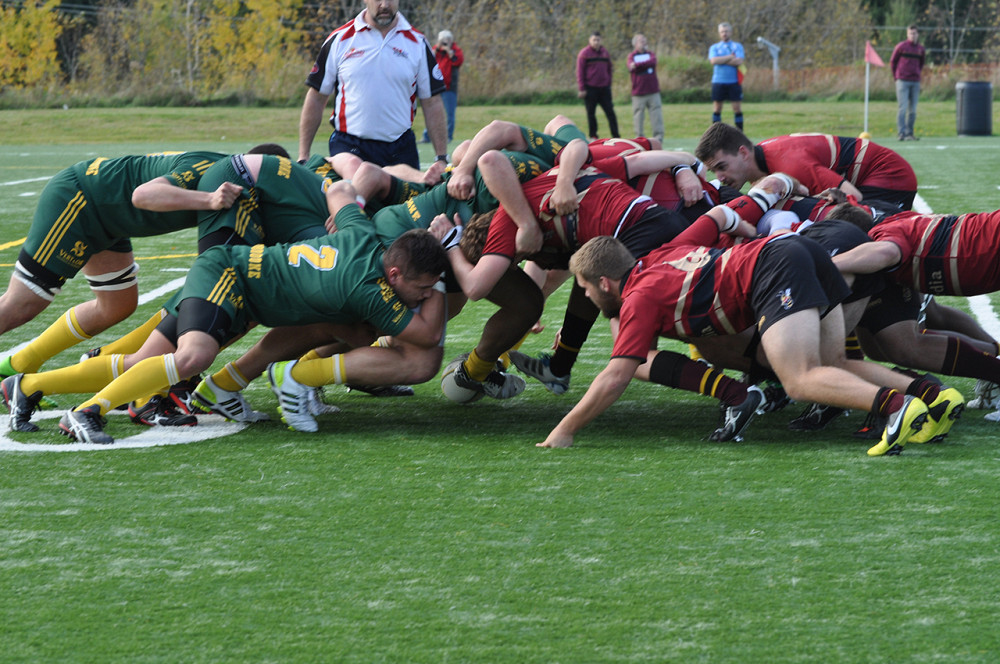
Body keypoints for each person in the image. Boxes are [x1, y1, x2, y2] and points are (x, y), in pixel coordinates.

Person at [36, 181, 446, 445]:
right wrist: (448, 271)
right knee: (190, 357)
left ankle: (31, 387)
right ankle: (86, 411)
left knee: (345, 330)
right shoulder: (371, 290)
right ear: (394, 273)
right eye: (422, 288)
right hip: (229, 275)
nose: (423, 296)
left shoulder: (365, 234)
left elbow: (339, 189)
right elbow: (426, 339)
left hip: (245, 286)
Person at [536, 207, 963, 456]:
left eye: (587, 290)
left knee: (799, 378)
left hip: (776, 267)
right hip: (798, 250)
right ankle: (931, 401)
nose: (589, 299)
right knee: (836, 364)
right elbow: (718, 218)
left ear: (605, 283)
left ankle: (894, 407)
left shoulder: (637, 298)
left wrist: (564, 429)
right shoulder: (659, 256)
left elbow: (616, 374)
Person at [0, 151, 241, 381]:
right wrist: (209, 199)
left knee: (117, 306)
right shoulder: (215, 168)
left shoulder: (237, 181)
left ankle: (19, 364)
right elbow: (142, 195)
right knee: (22, 303)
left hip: (109, 220)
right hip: (81, 198)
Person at [297, 0, 449, 181]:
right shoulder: (340, 39)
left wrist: (441, 158)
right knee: (350, 205)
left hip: (400, 150)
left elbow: (432, 103)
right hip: (349, 148)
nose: (384, 4)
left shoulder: (418, 43)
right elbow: (316, 98)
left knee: (406, 209)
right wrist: (303, 155)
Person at [695, 123, 918, 211]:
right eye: (715, 171)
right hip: (871, 175)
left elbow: (853, 197)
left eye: (722, 167)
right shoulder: (762, 161)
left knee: (847, 221)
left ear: (743, 153)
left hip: (890, 177)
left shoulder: (791, 166)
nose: (721, 177)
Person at [421, 30, 463, 144]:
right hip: (435, 87)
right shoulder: (436, 49)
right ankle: (427, 136)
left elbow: (458, 61)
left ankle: (448, 136)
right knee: (432, 113)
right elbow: (427, 59)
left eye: (448, 40)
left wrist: (449, 51)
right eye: (443, 40)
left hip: (449, 88)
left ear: (451, 40)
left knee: (449, 114)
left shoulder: (455, 50)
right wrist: (438, 48)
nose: (445, 42)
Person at [576, 32, 620, 140]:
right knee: (591, 113)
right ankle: (593, 135)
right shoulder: (584, 53)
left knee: (610, 112)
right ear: (590, 41)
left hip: (604, 88)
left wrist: (608, 83)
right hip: (590, 88)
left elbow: (609, 69)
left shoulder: (605, 53)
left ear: (601, 40)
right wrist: (582, 88)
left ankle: (616, 135)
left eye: (598, 40)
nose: (596, 42)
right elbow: (580, 72)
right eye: (594, 40)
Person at [891, 25, 925, 141]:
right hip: (902, 81)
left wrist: (917, 74)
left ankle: (909, 133)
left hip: (915, 82)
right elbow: (893, 62)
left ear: (918, 34)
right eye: (910, 33)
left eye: (914, 33)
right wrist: (896, 77)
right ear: (907, 34)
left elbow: (921, 63)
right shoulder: (901, 47)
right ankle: (901, 133)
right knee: (903, 107)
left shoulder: (920, 49)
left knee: (913, 110)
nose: (913, 35)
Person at [627, 34, 664, 142]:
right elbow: (631, 66)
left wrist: (638, 65)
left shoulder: (651, 54)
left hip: (653, 91)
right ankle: (640, 139)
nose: (643, 42)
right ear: (635, 44)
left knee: (656, 115)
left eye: (644, 40)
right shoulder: (631, 56)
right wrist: (641, 65)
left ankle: (658, 138)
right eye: (640, 41)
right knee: (638, 117)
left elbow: (652, 62)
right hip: (638, 92)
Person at [708, 22, 744, 131]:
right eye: (722, 32)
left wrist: (721, 60)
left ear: (731, 32)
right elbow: (714, 60)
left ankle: (740, 134)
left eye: (726, 31)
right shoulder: (715, 47)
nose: (724, 33)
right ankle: (715, 134)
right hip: (718, 81)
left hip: (733, 82)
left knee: (736, 108)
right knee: (717, 108)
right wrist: (729, 57)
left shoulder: (737, 46)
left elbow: (739, 61)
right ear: (719, 33)